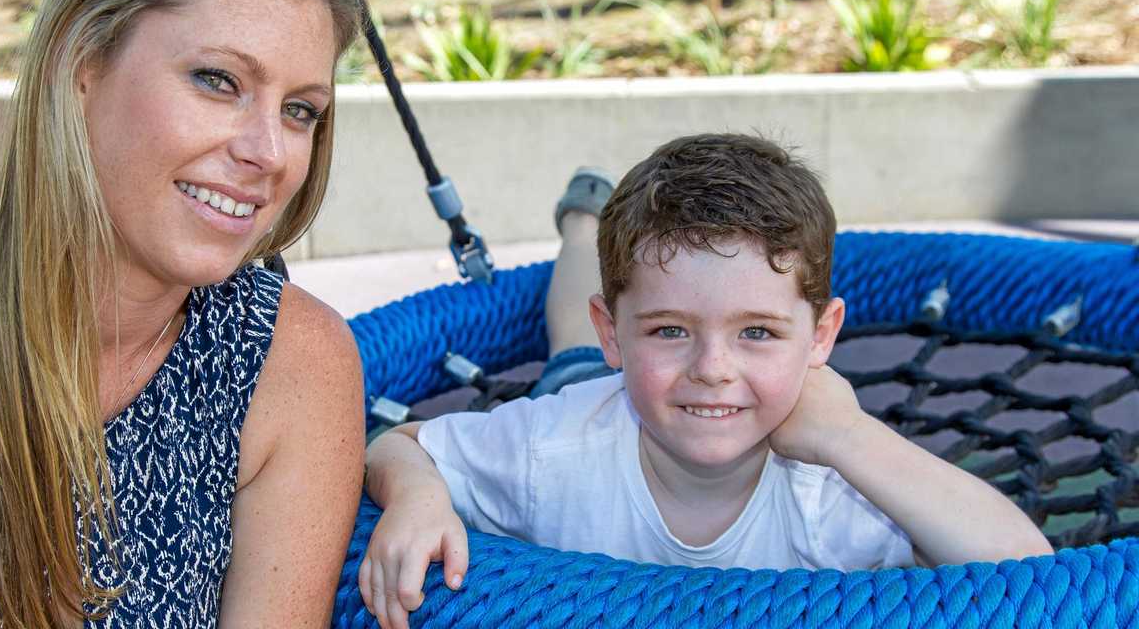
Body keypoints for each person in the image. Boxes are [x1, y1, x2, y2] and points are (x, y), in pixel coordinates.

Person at [0, 0, 366, 626]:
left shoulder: (288, 365)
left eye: (300, 110)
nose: (270, 153)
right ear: (82, 63)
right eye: (218, 80)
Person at [359, 134, 1053, 629]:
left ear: (821, 336)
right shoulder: (552, 448)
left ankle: (595, 245)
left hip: (634, 394)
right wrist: (420, 497)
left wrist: (849, 436)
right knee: (569, 354)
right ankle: (582, 229)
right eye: (669, 329)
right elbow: (398, 445)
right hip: (591, 397)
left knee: (575, 354)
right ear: (620, 334)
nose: (713, 369)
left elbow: (1029, 574)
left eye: (756, 332)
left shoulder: (830, 491)